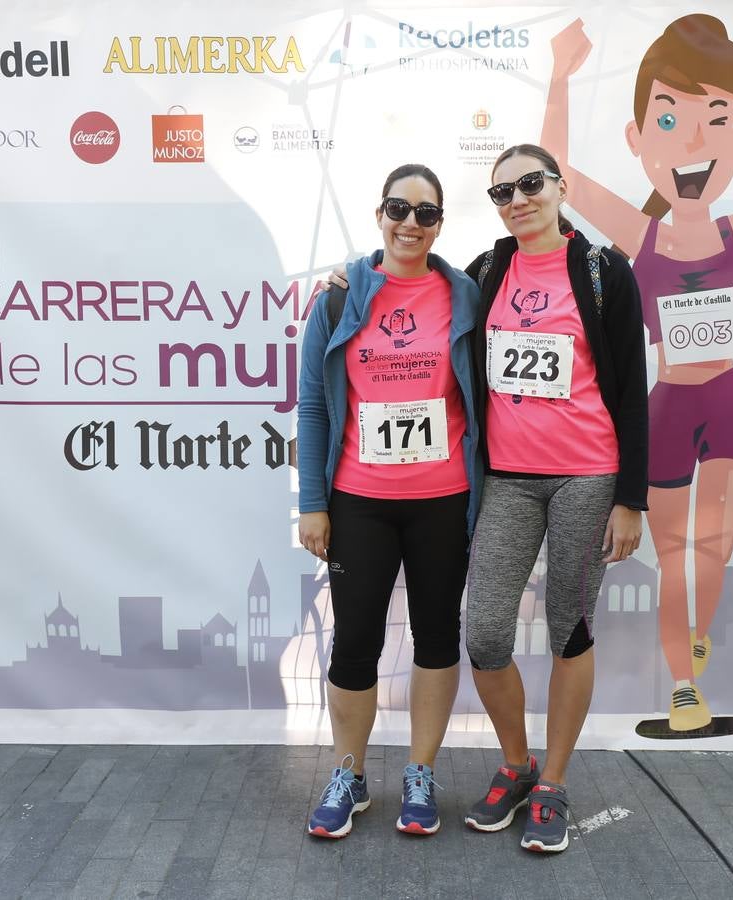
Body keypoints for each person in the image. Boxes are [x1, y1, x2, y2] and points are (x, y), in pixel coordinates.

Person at [542, 15, 733, 731]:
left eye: (717, 120)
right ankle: (685, 684)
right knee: (673, 552)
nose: (692, 140)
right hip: (668, 413)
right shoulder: (637, 232)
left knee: (713, 553)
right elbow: (556, 170)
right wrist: (560, 74)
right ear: (637, 138)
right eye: (669, 117)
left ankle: (695, 634)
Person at [462, 143, 648, 852]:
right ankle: (516, 764)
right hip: (507, 479)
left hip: (586, 477)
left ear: (560, 186)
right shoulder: (486, 271)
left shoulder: (604, 272)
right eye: (502, 191)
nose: (517, 200)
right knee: (484, 634)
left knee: (570, 627)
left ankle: (554, 783)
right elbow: (411, 292)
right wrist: (343, 283)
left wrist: (631, 499)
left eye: (530, 184)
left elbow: (632, 392)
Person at [297, 163, 483, 839]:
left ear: (440, 223)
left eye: (426, 213)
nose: (410, 222)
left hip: (443, 501)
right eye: (398, 209)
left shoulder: (465, 293)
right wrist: (311, 502)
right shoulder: (341, 295)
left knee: (437, 638)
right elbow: (315, 402)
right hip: (359, 501)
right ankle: (349, 775)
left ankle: (420, 773)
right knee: (354, 642)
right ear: (379, 214)